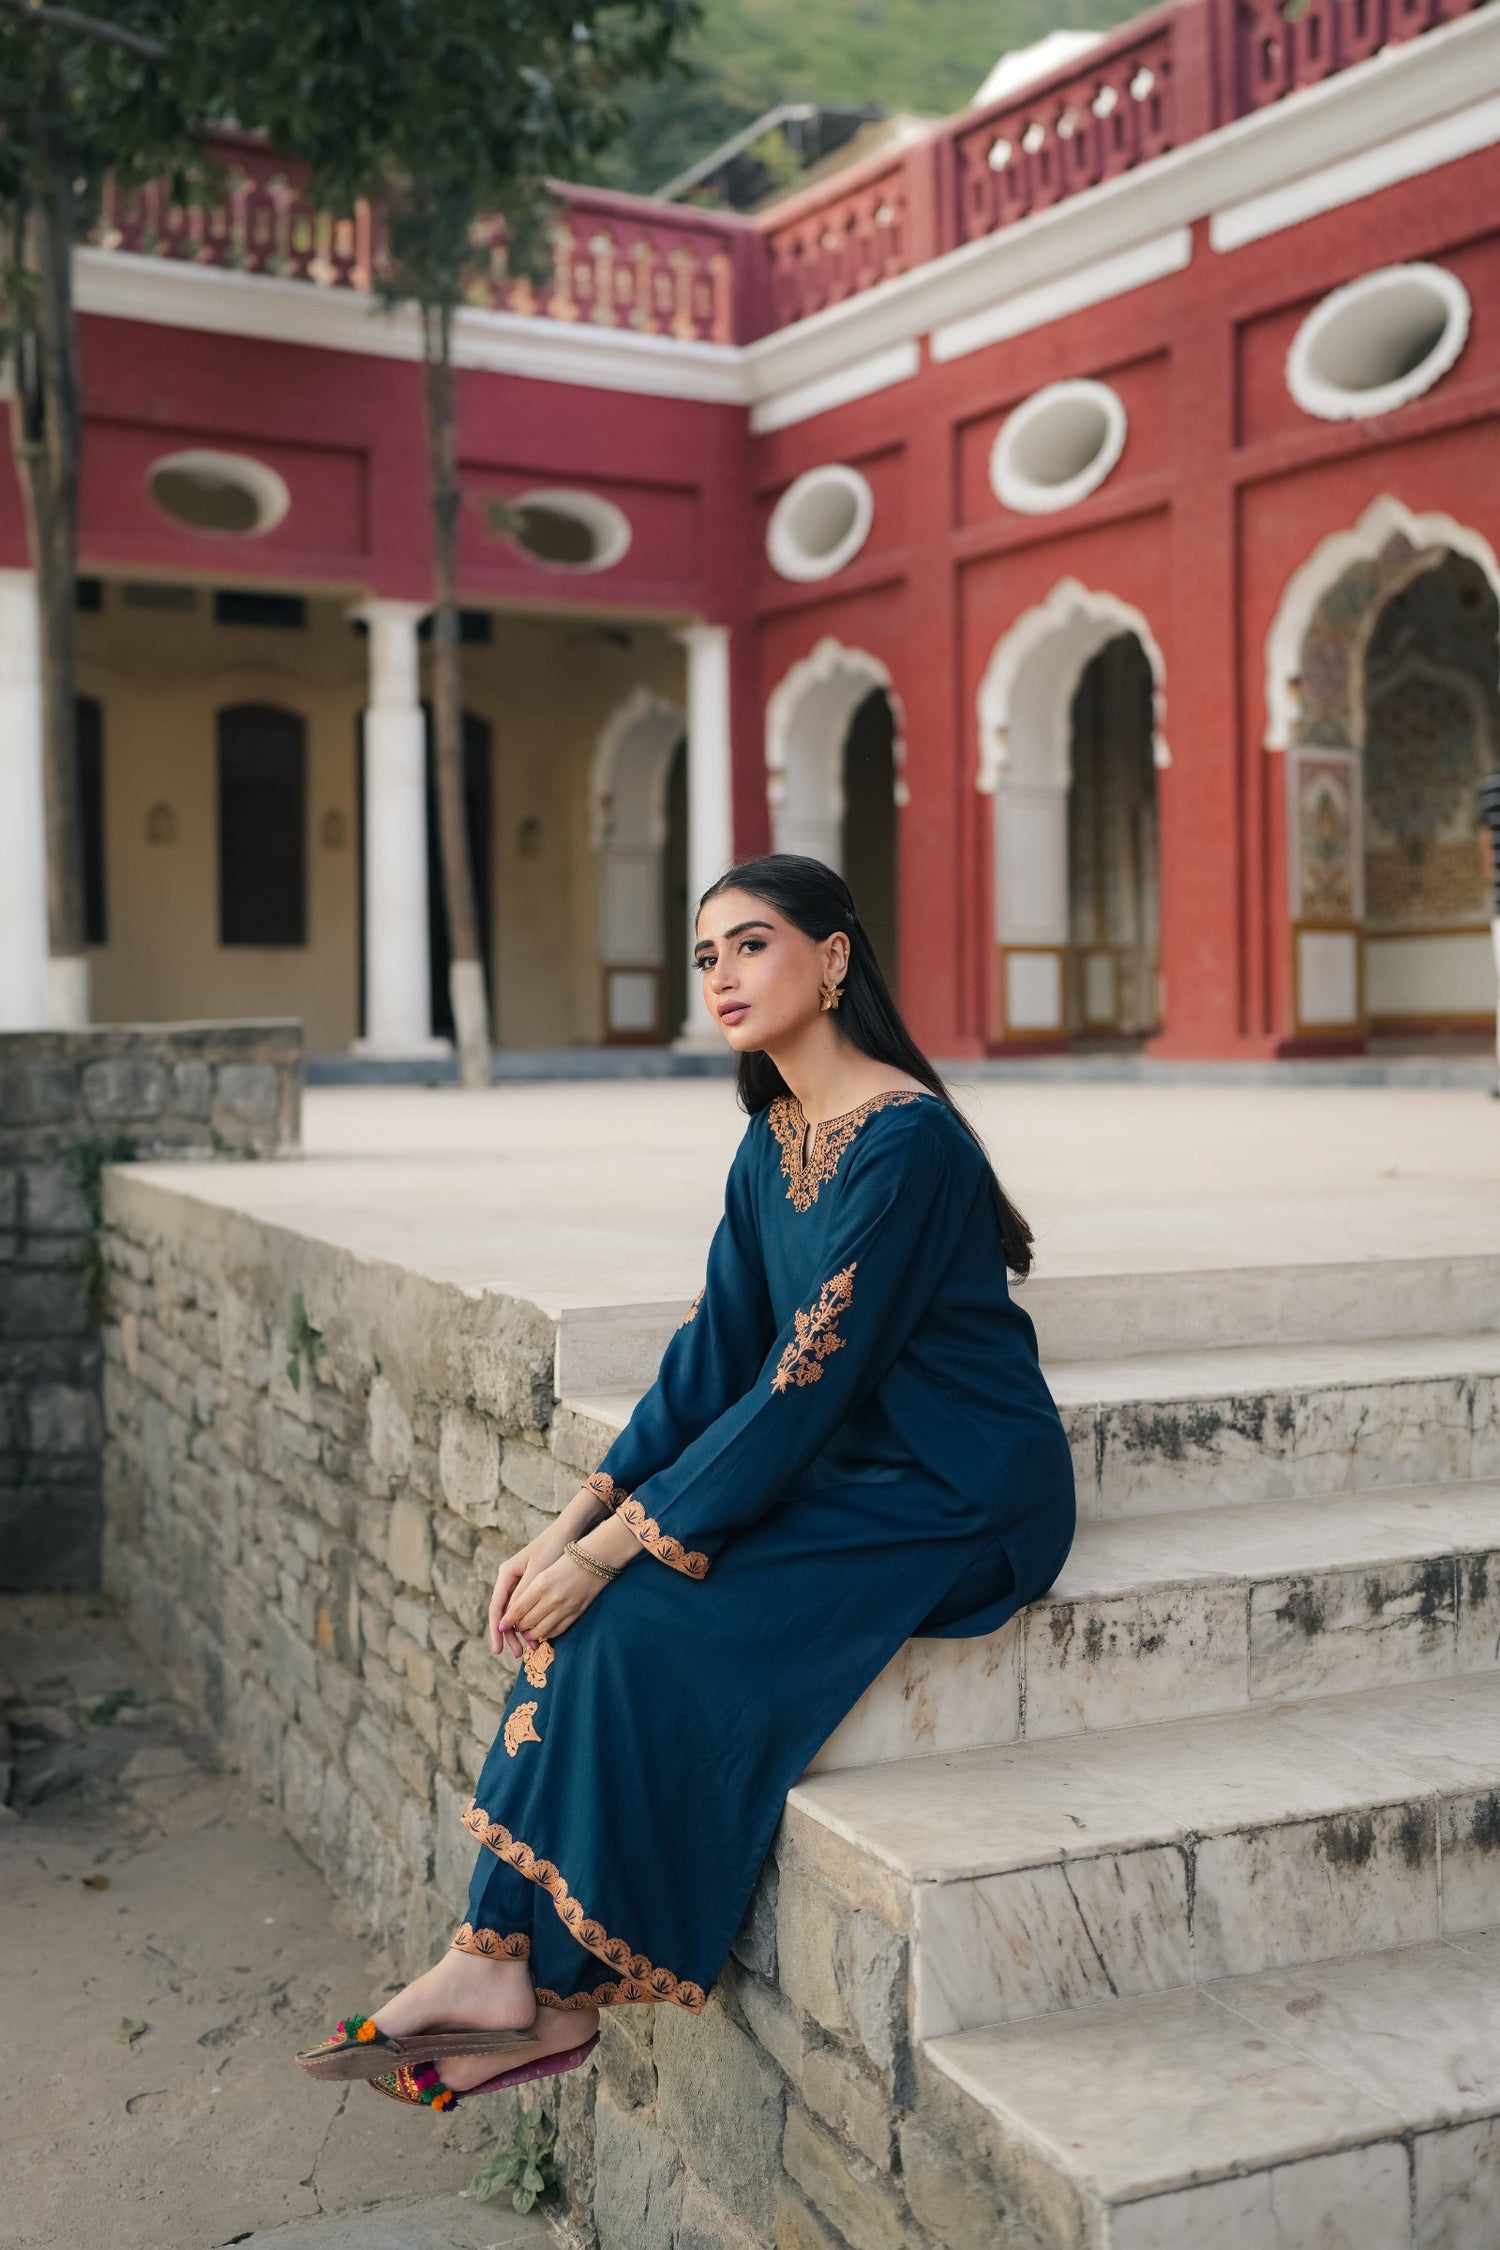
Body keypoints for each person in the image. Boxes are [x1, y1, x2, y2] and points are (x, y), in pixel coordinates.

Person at [295, 853, 1076, 2111]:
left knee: (635, 1618)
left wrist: (618, 1554)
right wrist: (567, 1526)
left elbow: (806, 1374)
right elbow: (712, 1364)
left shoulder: (910, 1142)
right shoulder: (770, 1148)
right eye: (705, 955)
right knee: (593, 1611)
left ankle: (523, 1984)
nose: (720, 975)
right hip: (850, 1463)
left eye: (751, 945)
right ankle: (494, 1964)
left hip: (960, 1489)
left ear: (833, 958)